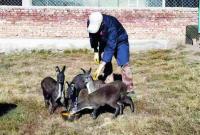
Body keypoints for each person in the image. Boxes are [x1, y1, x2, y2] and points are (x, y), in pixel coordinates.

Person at [87, 12, 134, 94]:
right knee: (106, 63)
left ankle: (129, 88)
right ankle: (109, 86)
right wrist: (95, 51)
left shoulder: (111, 26)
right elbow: (92, 36)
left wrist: (100, 67)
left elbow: (110, 47)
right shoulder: (91, 22)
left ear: (101, 24)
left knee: (124, 63)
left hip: (120, 41)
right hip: (104, 41)